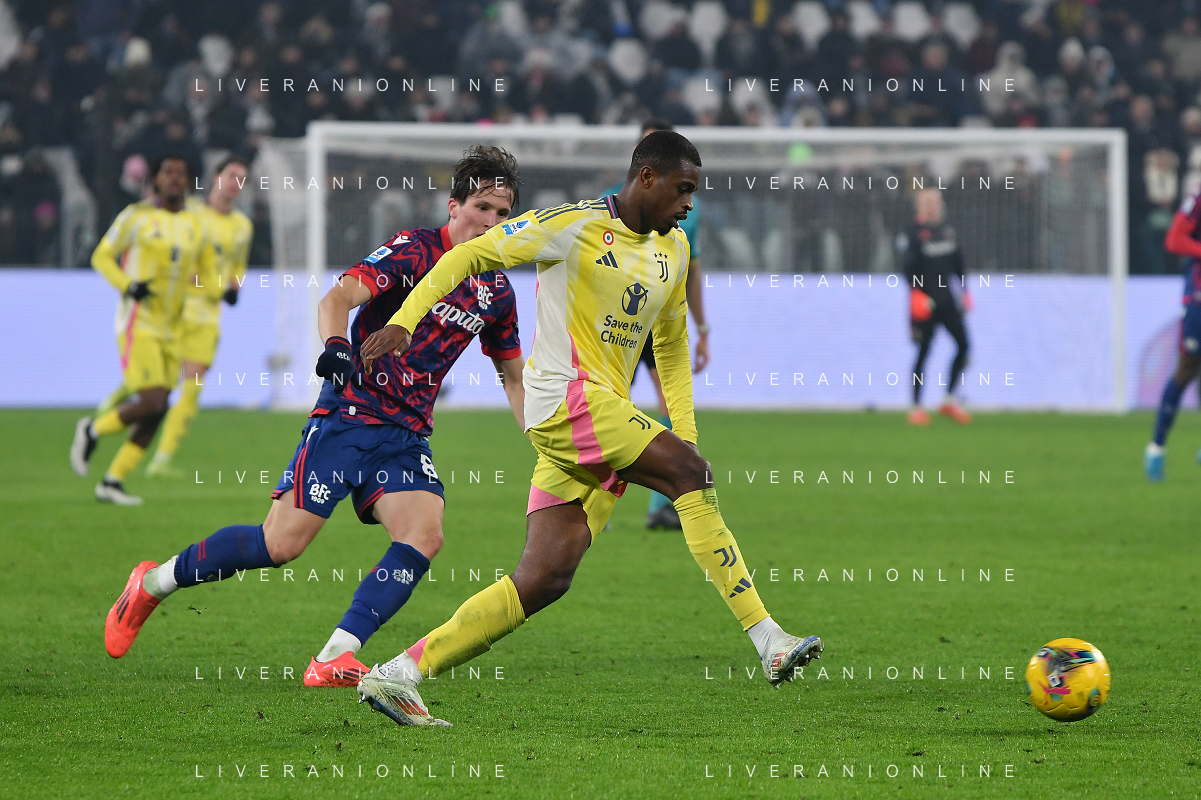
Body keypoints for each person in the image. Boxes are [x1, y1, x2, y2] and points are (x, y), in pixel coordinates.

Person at [350, 131, 822, 728]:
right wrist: (406, 319)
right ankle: (768, 638)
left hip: (597, 416)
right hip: (565, 401)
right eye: (683, 189)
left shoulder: (674, 249)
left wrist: (686, 435)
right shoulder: (572, 225)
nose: (689, 204)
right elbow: (469, 256)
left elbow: (671, 346)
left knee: (544, 579)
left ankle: (399, 673)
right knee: (691, 477)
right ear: (646, 177)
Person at [101, 147, 527, 689]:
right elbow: (338, 297)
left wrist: (546, 442)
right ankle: (153, 583)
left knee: (424, 534)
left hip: (406, 435)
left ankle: (335, 656)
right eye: (482, 208)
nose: (491, 222)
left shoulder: (496, 291)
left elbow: (514, 378)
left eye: (502, 214)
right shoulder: (415, 251)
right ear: (454, 206)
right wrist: (335, 346)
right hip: (351, 414)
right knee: (280, 545)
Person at [70, 154, 218, 505]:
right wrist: (128, 285)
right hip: (138, 324)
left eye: (181, 173)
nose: (175, 178)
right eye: (168, 172)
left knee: (159, 408)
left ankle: (112, 481)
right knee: (152, 400)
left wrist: (221, 289)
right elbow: (101, 256)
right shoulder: (135, 217)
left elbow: (208, 270)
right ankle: (92, 428)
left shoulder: (195, 225)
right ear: (155, 180)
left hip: (172, 328)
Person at [603, 118, 710, 530]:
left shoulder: (686, 214)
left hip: (660, 319)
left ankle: (662, 506)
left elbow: (690, 270)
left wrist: (702, 330)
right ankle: (591, 498)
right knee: (608, 406)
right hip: (618, 322)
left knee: (669, 404)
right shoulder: (607, 205)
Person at [146, 156, 254, 477]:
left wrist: (235, 285)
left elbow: (237, 266)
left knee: (192, 387)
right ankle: (101, 424)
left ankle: (161, 459)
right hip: (175, 310)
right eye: (231, 175)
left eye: (242, 179)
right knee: (156, 387)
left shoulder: (242, 226)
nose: (235, 183)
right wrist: (216, 287)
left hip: (207, 318)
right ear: (216, 176)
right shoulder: (190, 213)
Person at [901, 188, 972, 425]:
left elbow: (958, 264)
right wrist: (915, 294)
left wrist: (965, 291)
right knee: (924, 352)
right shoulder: (913, 233)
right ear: (919, 205)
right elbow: (906, 268)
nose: (933, 206)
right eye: (928, 202)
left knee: (964, 345)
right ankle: (916, 407)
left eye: (936, 201)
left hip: (947, 300)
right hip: (925, 302)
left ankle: (948, 399)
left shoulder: (947, 231)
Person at [1145, 186, 1201, 480]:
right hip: (1199, 298)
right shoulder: (1198, 198)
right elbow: (1174, 238)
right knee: (1187, 367)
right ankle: (1157, 446)